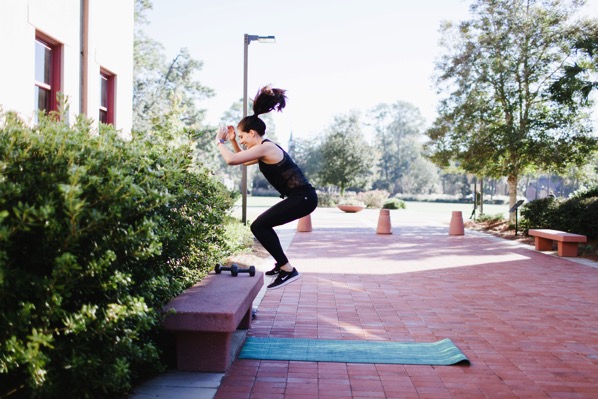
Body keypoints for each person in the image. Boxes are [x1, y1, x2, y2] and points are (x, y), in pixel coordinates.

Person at [215, 86, 318, 290]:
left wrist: (220, 142)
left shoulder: (266, 148)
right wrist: (234, 141)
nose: (242, 142)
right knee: (262, 225)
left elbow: (232, 160)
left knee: (259, 226)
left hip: (303, 197)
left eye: (243, 138)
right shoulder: (263, 149)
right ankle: (282, 265)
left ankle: (288, 269)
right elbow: (243, 161)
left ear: (253, 133)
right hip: (300, 197)